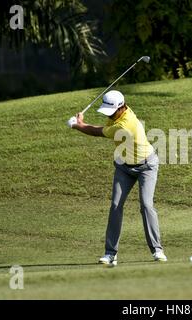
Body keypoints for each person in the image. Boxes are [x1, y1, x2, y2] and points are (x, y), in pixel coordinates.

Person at [69, 90, 167, 265]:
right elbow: (103, 124)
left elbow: (97, 131)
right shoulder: (116, 116)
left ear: (122, 108)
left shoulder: (125, 125)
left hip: (147, 166)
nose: (110, 115)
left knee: (146, 205)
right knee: (115, 205)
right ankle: (110, 253)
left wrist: (78, 125)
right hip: (124, 166)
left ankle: (157, 250)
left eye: (112, 111)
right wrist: (81, 122)